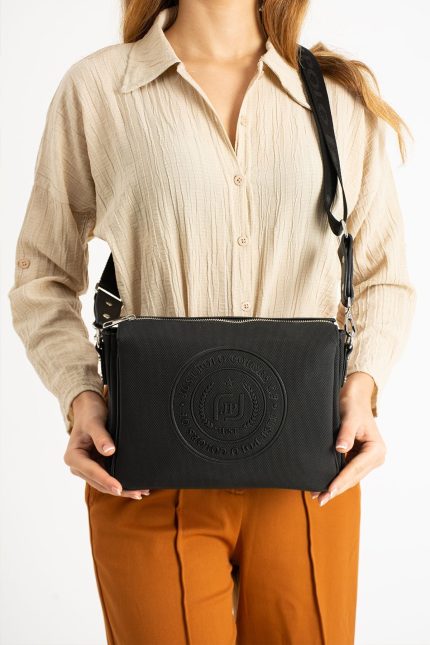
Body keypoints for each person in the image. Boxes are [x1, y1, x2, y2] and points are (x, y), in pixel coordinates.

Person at [8, 1, 416, 643]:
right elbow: (43, 277)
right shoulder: (98, 90)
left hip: (309, 472)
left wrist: (362, 390)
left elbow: (383, 276)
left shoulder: (336, 98)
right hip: (145, 474)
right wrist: (80, 395)